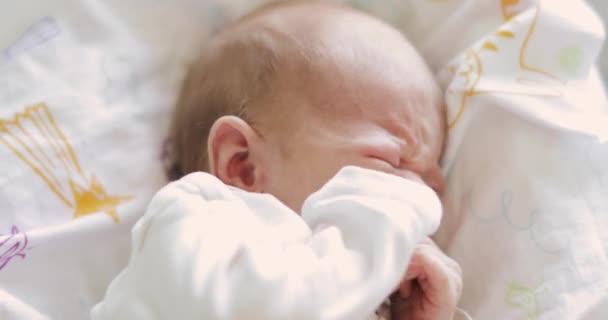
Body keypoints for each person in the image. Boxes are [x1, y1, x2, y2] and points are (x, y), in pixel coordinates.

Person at [92, 1, 462, 319]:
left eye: (429, 182)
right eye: (392, 162)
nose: (424, 199)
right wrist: (382, 230)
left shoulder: (350, 280)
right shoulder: (192, 223)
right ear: (243, 165)